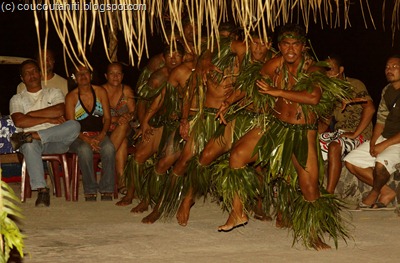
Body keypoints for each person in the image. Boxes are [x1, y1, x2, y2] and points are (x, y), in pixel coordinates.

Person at [216, 24, 350, 250]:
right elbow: (251, 85)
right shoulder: (275, 64)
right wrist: (228, 102)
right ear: (279, 46)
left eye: (295, 44)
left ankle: (313, 235)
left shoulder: (313, 68)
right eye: (286, 44)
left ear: (303, 47)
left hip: (301, 132)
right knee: (237, 155)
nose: (290, 49)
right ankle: (238, 212)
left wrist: (277, 92)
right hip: (275, 126)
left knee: (310, 190)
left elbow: (313, 98)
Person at [9, 59, 80, 207]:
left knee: (74, 125)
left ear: (40, 74)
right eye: (27, 74)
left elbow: (60, 110)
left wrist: (30, 115)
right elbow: (20, 122)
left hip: (55, 141)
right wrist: (48, 118)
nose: (32, 75)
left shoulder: (54, 92)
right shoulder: (17, 99)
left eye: (34, 71)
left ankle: (32, 135)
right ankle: (42, 190)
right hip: (33, 144)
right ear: (22, 78)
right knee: (29, 145)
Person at [344, 54, 400, 210]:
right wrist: (374, 142)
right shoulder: (387, 90)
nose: (390, 70)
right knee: (351, 161)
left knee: (380, 165)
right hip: (386, 137)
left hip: (397, 142)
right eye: (387, 67)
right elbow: (381, 120)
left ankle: (374, 193)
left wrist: (384, 146)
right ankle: (386, 191)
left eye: (395, 67)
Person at [319, 55, 375, 194]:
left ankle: (329, 194)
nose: (328, 73)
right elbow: (325, 121)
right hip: (339, 134)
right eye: (325, 70)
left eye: (331, 69)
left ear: (341, 69)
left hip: (360, 135)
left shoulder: (354, 84)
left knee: (334, 146)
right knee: (307, 143)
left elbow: (370, 109)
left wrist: (355, 133)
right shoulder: (329, 92)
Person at [65, 64, 115, 201]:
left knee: (109, 148)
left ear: (91, 76)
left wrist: (102, 134)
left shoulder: (100, 92)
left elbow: (107, 118)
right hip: (78, 136)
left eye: (85, 72)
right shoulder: (71, 97)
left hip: (99, 134)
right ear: (74, 78)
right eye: (79, 73)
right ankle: (90, 188)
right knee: (84, 150)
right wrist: (87, 139)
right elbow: (71, 126)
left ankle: (107, 188)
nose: (83, 76)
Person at [102, 62, 135, 195]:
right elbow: (97, 116)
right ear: (106, 75)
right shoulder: (100, 92)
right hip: (106, 131)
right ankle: (121, 183)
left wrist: (127, 117)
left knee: (124, 125)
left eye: (118, 74)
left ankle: (106, 161)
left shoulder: (126, 90)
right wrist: (116, 119)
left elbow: (134, 112)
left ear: (122, 76)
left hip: (126, 129)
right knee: (123, 143)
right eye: (112, 74)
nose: (115, 77)